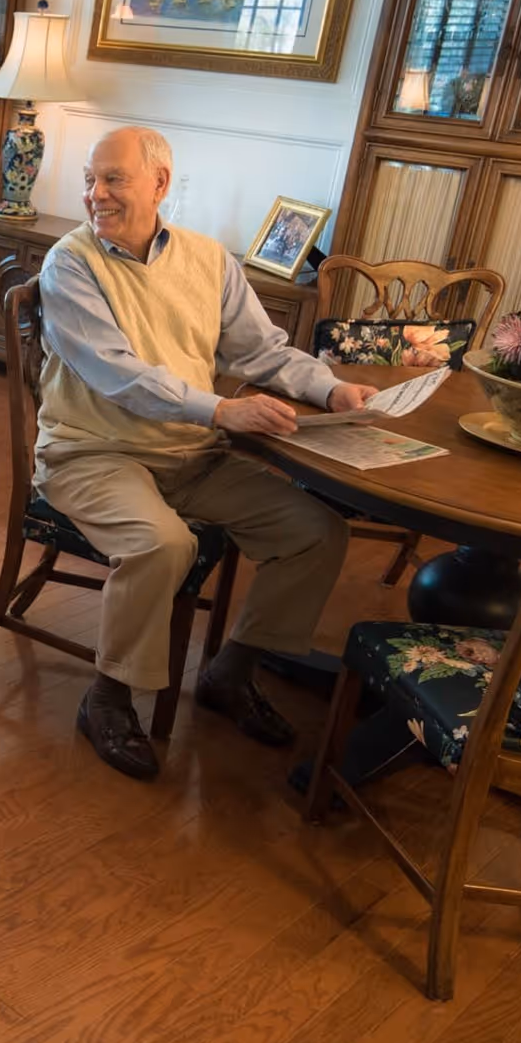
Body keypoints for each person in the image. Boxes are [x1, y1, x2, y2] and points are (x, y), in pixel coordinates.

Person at [36, 127, 379, 781]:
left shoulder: (209, 260)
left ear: (160, 184)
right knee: (161, 544)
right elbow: (117, 374)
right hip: (93, 452)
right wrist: (222, 410)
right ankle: (107, 696)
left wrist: (332, 390)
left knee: (315, 531)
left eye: (113, 179)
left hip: (191, 454)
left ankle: (232, 670)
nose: (94, 194)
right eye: (89, 179)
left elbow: (263, 352)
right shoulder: (70, 263)